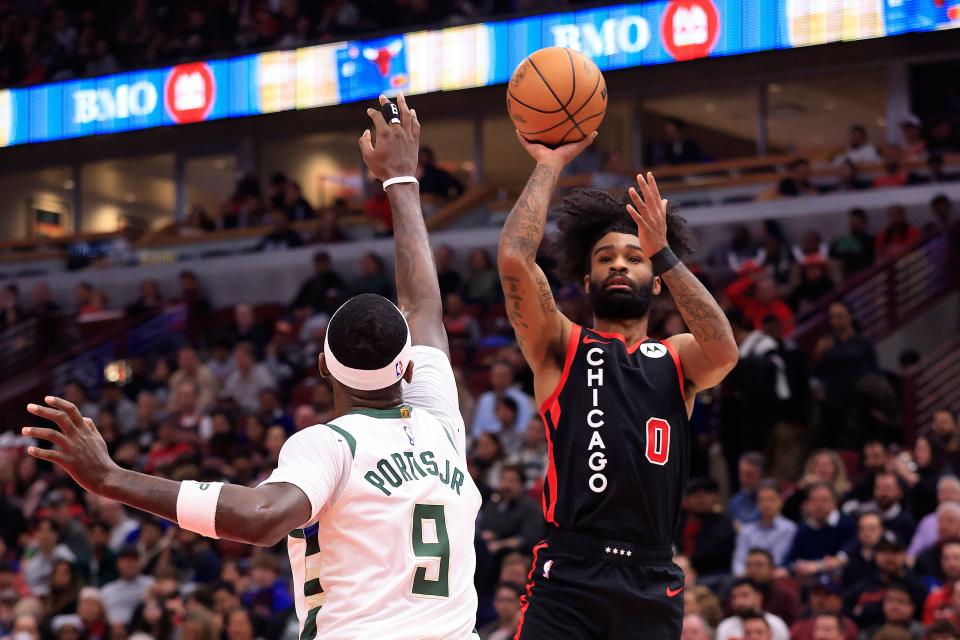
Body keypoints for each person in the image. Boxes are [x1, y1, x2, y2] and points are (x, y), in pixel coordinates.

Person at [22, 94, 482, 640]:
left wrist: (111, 478)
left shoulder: (331, 444)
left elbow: (261, 517)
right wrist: (401, 180)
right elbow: (424, 306)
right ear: (408, 370)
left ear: (322, 368)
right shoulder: (442, 422)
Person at [497, 130, 738, 638]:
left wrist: (666, 254)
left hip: (652, 578)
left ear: (656, 279)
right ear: (586, 282)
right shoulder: (562, 346)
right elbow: (516, 261)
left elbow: (724, 349)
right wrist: (549, 165)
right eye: (605, 258)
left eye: (634, 256)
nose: (620, 264)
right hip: (569, 574)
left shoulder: (675, 357)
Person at [733, 480, 798, 574]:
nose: (766, 504)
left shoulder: (789, 529)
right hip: (747, 577)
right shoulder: (746, 530)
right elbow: (739, 559)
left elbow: (778, 559)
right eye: (761, 500)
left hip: (774, 576)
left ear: (780, 501)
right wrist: (740, 574)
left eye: (771, 499)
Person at [471, 361, 534, 438]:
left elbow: (524, 426)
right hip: (487, 441)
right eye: (497, 375)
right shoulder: (485, 399)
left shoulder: (522, 399)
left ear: (511, 377)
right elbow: (477, 428)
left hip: (513, 440)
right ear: (491, 377)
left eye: (504, 375)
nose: (500, 378)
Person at [716, 578, 790, 640]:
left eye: (744, 595)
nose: (739, 602)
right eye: (734, 597)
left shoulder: (776, 624)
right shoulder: (725, 627)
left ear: (758, 597)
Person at [290, 252, 346, 317]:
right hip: (305, 315)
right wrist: (297, 310)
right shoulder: (310, 282)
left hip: (325, 315)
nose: (322, 264)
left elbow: (336, 301)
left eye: (324, 261)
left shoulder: (335, 280)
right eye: (319, 262)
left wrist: (315, 310)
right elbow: (298, 300)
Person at [830, 209, 875, 277]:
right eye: (852, 220)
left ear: (863, 222)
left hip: (859, 273)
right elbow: (831, 255)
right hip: (839, 272)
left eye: (857, 221)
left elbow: (868, 260)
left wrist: (846, 263)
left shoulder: (869, 240)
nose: (853, 223)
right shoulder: (839, 241)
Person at [729, 452, 765, 525]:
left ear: (761, 474)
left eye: (749, 475)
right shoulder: (735, 501)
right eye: (741, 474)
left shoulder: (771, 501)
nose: (743, 480)